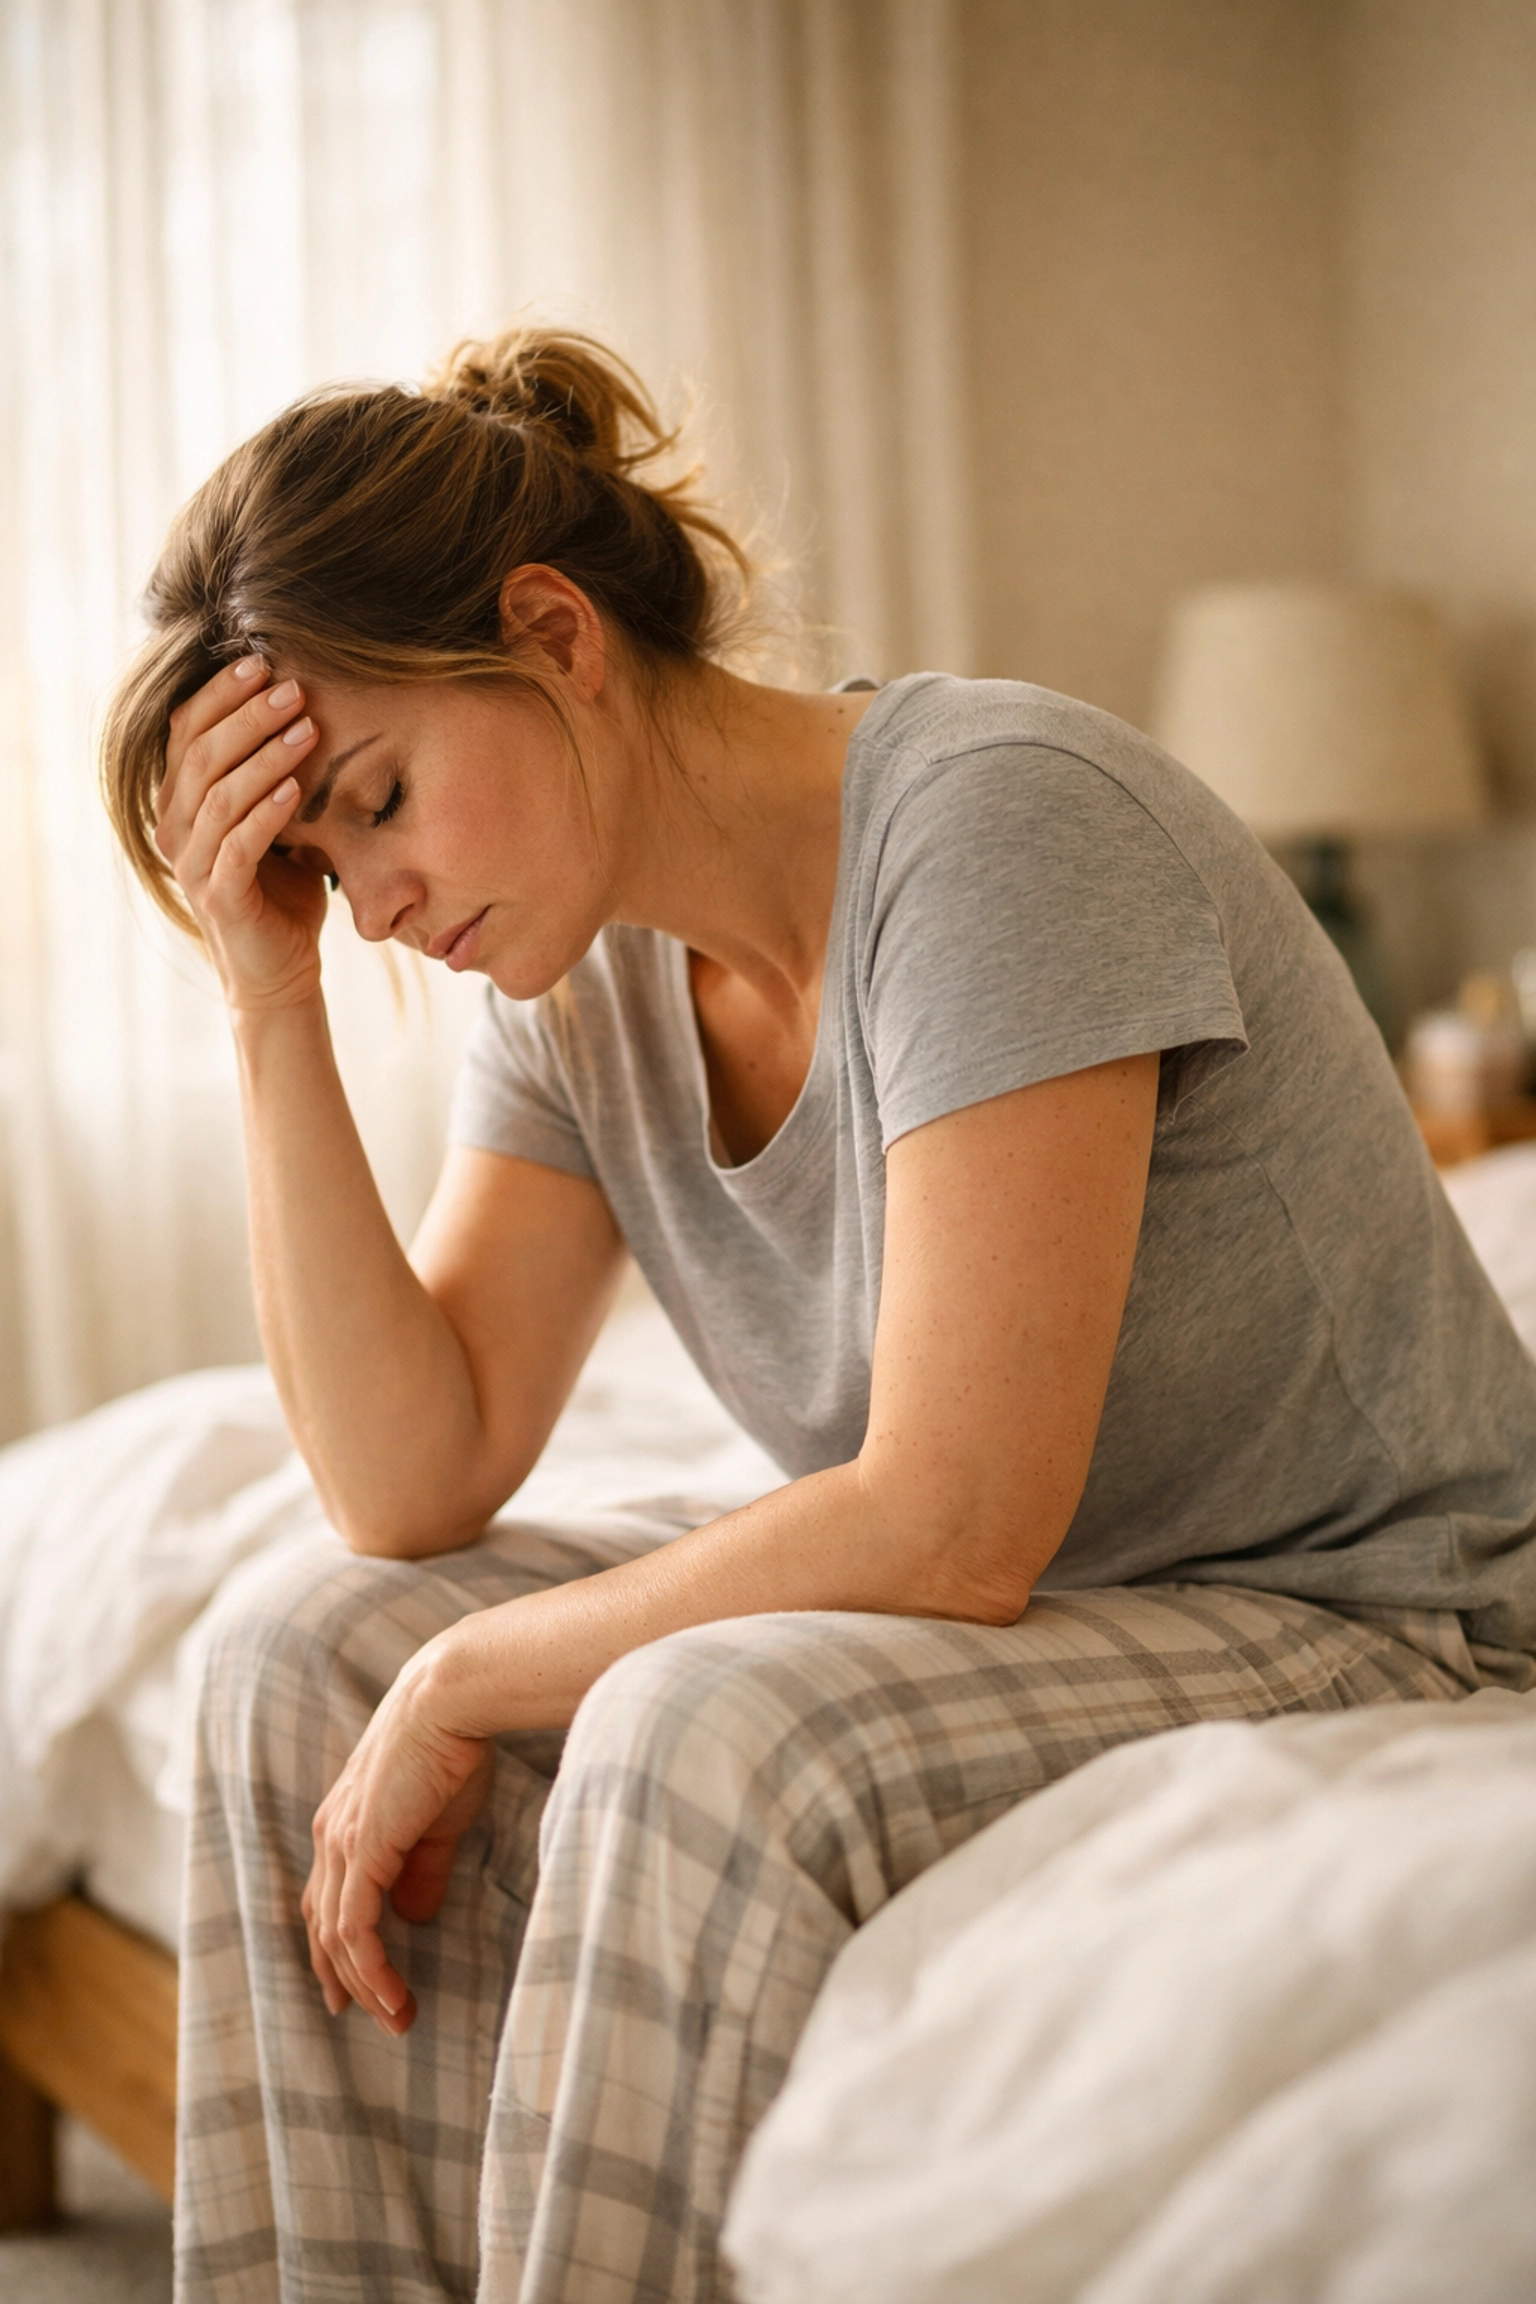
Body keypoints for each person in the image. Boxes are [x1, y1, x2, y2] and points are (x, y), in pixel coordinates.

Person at [103, 325, 1536, 2304]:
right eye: (318, 862)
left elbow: (952, 1520)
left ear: (555, 631)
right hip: (1063, 1597)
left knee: (702, 1726)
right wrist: (267, 1007)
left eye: (381, 796)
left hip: (1379, 1600)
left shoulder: (996, 826)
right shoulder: (578, 973)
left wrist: (472, 1681)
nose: (378, 906)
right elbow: (406, 1481)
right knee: (302, 1645)